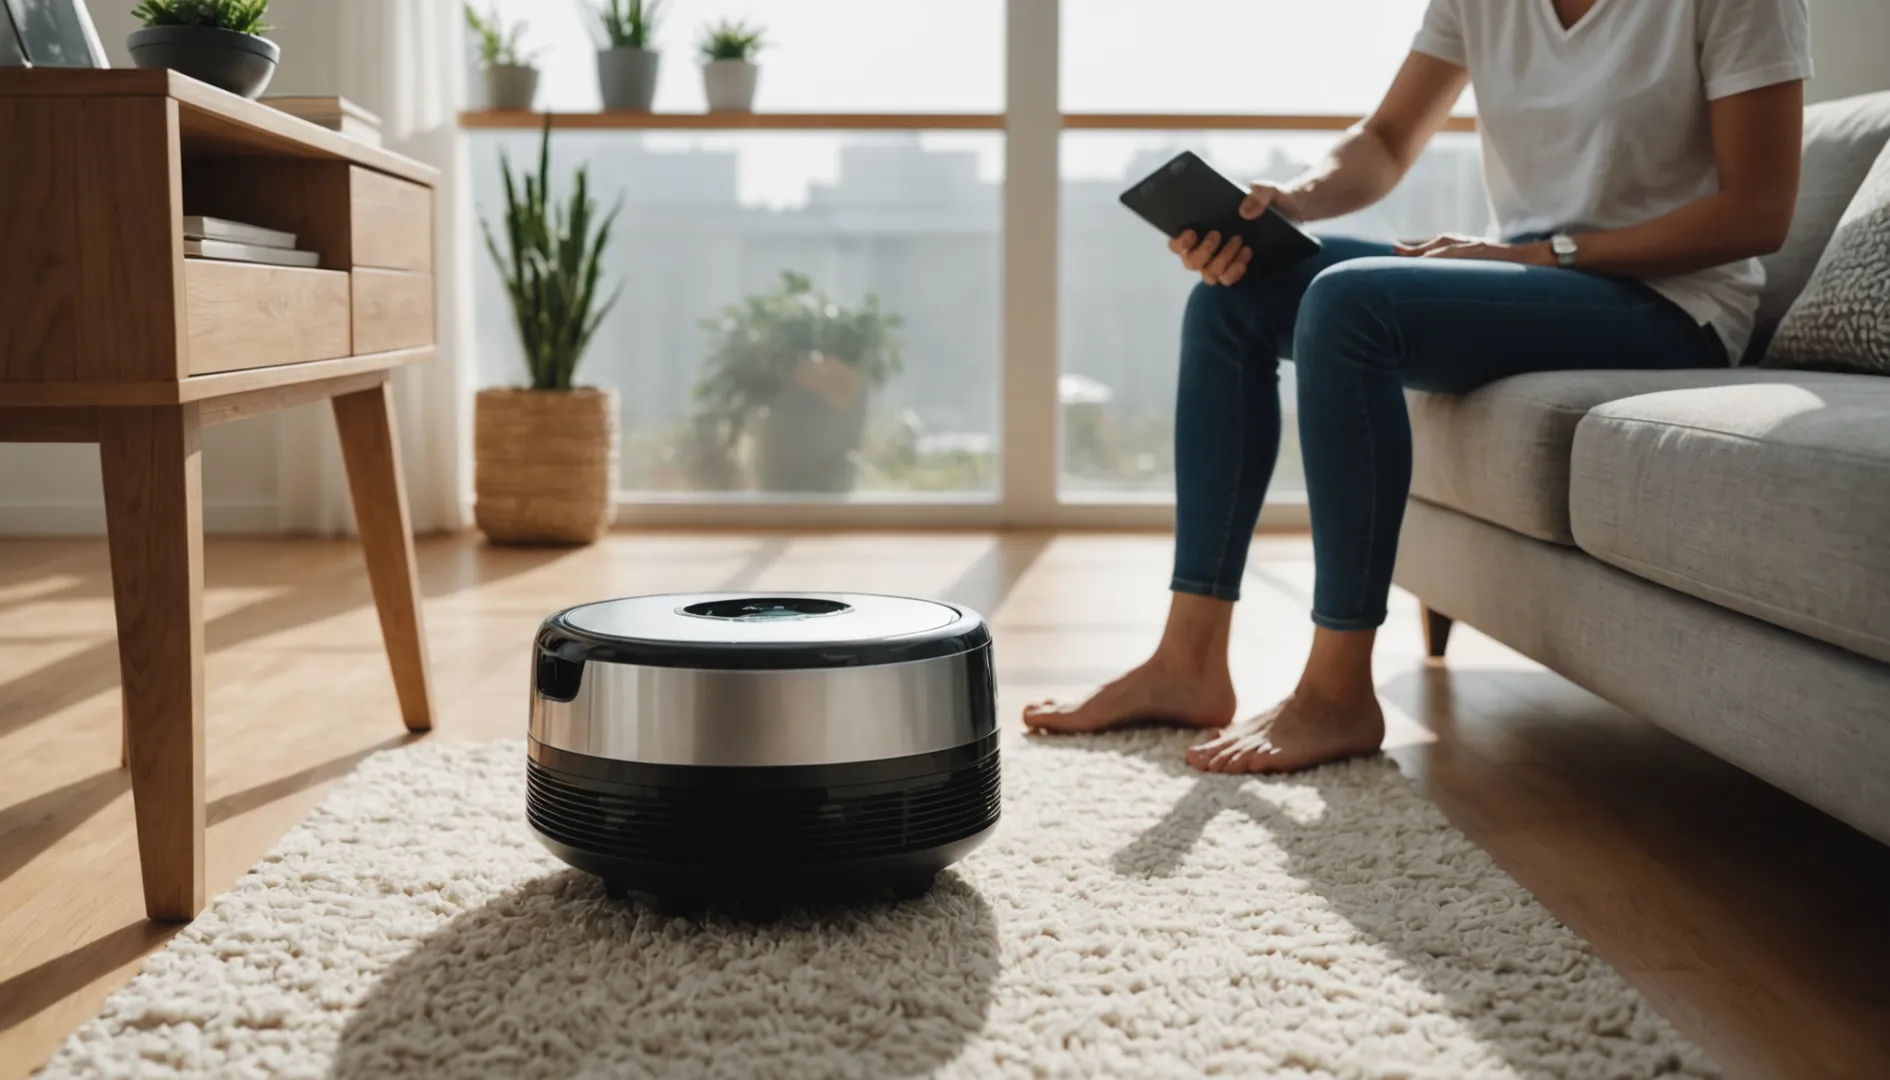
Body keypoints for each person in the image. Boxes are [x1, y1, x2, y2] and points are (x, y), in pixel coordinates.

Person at [1025, 0, 1813, 773]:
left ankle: (1338, 691)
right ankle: (1188, 660)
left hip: (1674, 305)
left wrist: (1539, 257)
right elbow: (1386, 139)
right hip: (1542, 280)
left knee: (1349, 302)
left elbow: (1758, 212)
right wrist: (1290, 201)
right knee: (1234, 293)